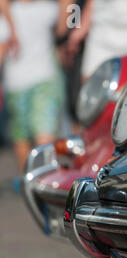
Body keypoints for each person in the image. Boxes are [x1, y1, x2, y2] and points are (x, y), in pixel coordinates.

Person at [0, 0, 67, 174]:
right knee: (34, 135)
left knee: (26, 135)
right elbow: (64, 29)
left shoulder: (9, 13)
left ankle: (31, 182)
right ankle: (36, 181)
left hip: (32, 82)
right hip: (27, 82)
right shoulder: (48, 9)